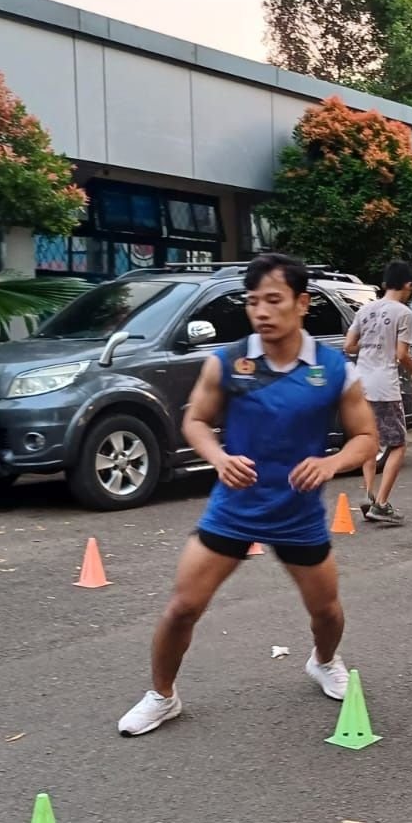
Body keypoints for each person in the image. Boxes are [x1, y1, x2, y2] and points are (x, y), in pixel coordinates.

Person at [116, 253, 380, 737]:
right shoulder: (228, 363)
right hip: (233, 510)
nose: (260, 311)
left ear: (302, 303)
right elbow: (194, 420)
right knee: (182, 607)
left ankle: (323, 662)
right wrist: (218, 458)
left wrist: (330, 463)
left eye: (273, 300)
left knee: (326, 610)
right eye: (253, 301)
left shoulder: (333, 369)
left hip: (298, 513)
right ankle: (162, 695)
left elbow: (366, 437)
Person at [343, 260, 412, 525]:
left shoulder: (365, 310)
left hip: (360, 383)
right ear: (408, 285)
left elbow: (348, 346)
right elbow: (402, 354)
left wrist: (370, 345)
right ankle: (381, 503)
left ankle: (369, 494)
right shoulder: (404, 313)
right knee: (398, 444)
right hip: (384, 386)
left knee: (370, 440)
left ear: (383, 283)